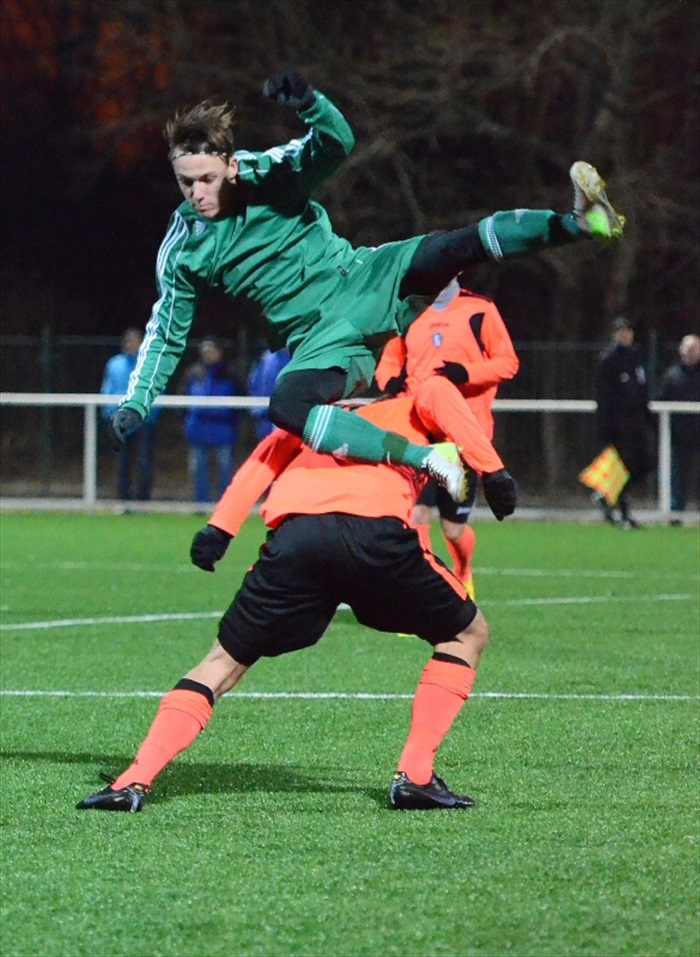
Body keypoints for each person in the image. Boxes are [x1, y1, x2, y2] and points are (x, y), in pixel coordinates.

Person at [105, 70, 624, 506]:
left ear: (231, 166)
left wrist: (312, 105)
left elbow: (334, 145)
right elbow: (167, 331)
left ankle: (578, 223)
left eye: (206, 179)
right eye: (185, 182)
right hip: (322, 338)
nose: (196, 193)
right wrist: (138, 400)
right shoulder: (182, 249)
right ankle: (428, 459)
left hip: (366, 276)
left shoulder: (267, 176)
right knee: (287, 405)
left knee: (451, 247)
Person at [77, 388, 518, 813]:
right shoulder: (418, 400)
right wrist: (494, 471)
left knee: (222, 662)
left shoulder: (312, 414)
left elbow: (262, 462)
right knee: (466, 632)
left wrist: (220, 528)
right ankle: (415, 778)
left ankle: (131, 781)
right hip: (375, 532)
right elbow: (454, 410)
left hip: (297, 537)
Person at [375, 281, 519, 597]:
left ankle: (463, 570)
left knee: (453, 530)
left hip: (464, 437)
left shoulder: (480, 309)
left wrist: (466, 373)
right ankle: (420, 594)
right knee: (415, 514)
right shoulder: (409, 312)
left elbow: (508, 362)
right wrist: (390, 381)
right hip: (419, 435)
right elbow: (389, 360)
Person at [594, 316, 654, 529]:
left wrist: (648, 417)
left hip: (637, 422)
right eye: (621, 331)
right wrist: (605, 425)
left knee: (645, 464)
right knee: (624, 466)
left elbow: (642, 388)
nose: (625, 334)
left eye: (628, 330)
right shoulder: (609, 359)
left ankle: (606, 496)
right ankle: (624, 514)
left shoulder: (637, 356)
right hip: (618, 424)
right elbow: (603, 396)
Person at [181, 337, 244, 503]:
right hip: (198, 429)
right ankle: (201, 503)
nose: (209, 354)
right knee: (198, 467)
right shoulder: (192, 373)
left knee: (225, 467)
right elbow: (181, 400)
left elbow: (241, 399)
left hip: (223, 429)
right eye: (206, 351)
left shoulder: (231, 373)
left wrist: (232, 421)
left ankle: (226, 503)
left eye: (212, 351)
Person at [100, 327, 160, 501]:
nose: (132, 345)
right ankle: (123, 498)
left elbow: (158, 389)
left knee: (144, 461)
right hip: (120, 420)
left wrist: (150, 413)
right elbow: (107, 390)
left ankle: (143, 499)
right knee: (122, 461)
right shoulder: (114, 364)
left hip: (144, 420)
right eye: (129, 342)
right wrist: (110, 414)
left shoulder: (150, 364)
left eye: (135, 342)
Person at [658, 334, 700, 519]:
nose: (691, 352)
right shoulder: (672, 375)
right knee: (677, 475)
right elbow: (661, 400)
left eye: (695, 348)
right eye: (688, 348)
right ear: (681, 350)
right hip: (678, 435)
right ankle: (676, 511)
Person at [247, 346, 291, 440]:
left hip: (290, 421)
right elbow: (254, 385)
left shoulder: (297, 357)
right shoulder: (264, 359)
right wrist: (256, 409)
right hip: (265, 419)